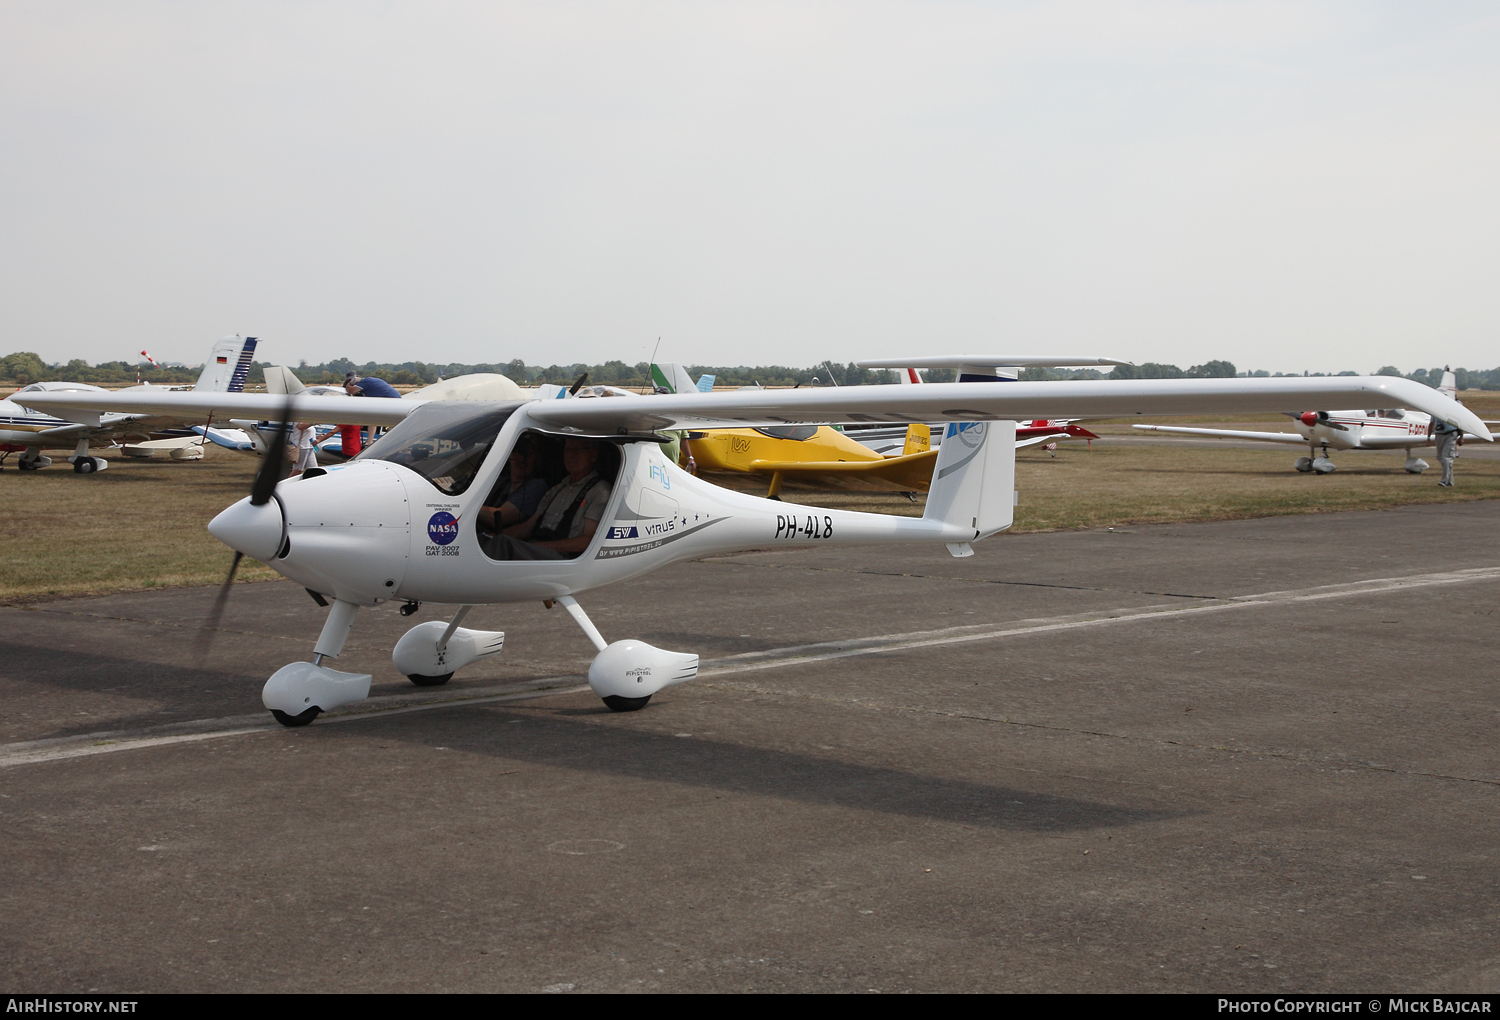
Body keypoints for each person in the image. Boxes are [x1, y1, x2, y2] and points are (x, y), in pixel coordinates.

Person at [487, 439, 612, 560]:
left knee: (502, 546)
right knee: (489, 541)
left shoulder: (600, 491)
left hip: (563, 559)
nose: (570, 455)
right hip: (537, 550)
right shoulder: (557, 489)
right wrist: (492, 537)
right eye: (567, 450)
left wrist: (538, 547)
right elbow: (527, 528)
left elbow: (588, 541)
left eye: (577, 450)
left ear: (593, 455)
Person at [478, 436, 548, 530]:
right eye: (517, 452)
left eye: (528, 454)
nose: (522, 459)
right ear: (509, 456)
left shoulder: (537, 487)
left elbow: (498, 518)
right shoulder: (498, 481)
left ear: (537, 459)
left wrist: (463, 505)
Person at [1433, 419, 1460, 487]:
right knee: (1440, 457)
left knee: (1447, 458)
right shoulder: (1434, 412)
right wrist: (1428, 437)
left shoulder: (1451, 411)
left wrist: (1461, 436)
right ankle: (1450, 482)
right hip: (1439, 434)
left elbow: (1459, 422)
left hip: (1450, 434)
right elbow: (1431, 423)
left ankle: (1444, 481)